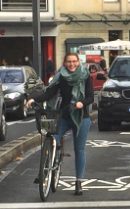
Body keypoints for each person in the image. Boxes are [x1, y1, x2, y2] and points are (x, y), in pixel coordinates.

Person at [37, 52, 95, 195]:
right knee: (52, 140)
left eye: (74, 61)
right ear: (64, 63)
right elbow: (49, 93)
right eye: (69, 61)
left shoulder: (85, 76)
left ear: (78, 62)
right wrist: (34, 99)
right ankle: (45, 169)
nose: (72, 64)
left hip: (81, 117)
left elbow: (90, 97)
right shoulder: (60, 76)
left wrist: (82, 103)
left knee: (79, 149)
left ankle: (78, 182)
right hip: (63, 115)